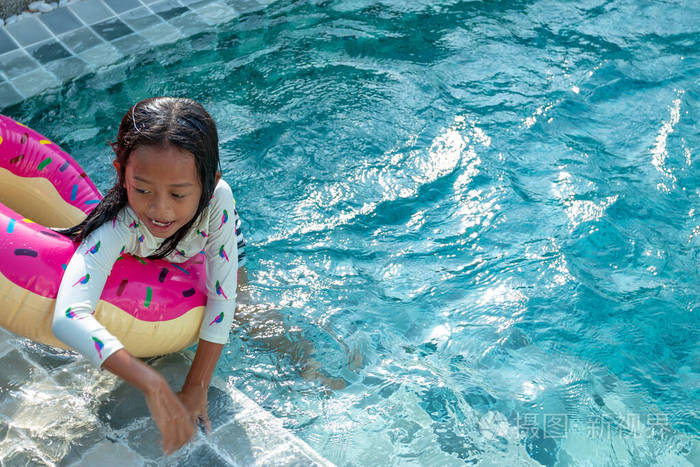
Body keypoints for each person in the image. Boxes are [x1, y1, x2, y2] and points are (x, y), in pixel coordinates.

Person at [53, 97, 246, 454]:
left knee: (249, 307)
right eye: (142, 189)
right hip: (146, 252)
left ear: (210, 181)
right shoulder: (116, 226)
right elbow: (67, 316)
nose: (159, 208)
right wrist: (151, 383)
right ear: (121, 173)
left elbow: (222, 296)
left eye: (178, 193)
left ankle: (307, 364)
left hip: (205, 241)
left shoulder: (218, 199)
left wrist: (196, 386)